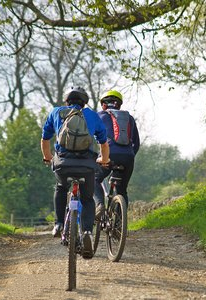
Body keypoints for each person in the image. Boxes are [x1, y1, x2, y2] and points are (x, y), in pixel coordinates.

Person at [41, 86, 110, 259]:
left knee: (60, 187)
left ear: (67, 100)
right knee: (87, 199)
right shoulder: (92, 115)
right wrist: (104, 160)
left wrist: (48, 157)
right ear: (85, 102)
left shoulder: (56, 112)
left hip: (63, 163)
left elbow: (45, 138)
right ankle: (87, 231)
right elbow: (103, 143)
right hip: (86, 165)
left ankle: (58, 224)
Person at [94, 90, 140, 219]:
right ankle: (119, 224)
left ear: (103, 105)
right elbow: (136, 143)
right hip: (128, 157)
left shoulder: (99, 116)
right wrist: (128, 157)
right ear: (119, 105)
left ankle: (99, 205)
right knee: (122, 190)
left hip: (108, 155)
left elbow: (90, 138)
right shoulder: (129, 118)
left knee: (94, 179)